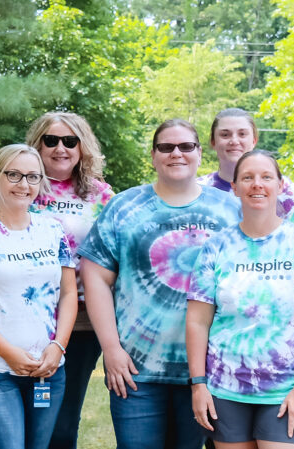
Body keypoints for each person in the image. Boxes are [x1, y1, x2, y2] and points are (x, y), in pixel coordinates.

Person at [79, 119, 240, 449]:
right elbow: (94, 274)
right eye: (166, 147)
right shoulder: (124, 208)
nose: (176, 154)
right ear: (153, 155)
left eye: (186, 146)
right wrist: (111, 349)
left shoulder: (231, 210)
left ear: (199, 153)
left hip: (207, 370)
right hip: (136, 370)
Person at [186, 150, 294, 449]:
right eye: (248, 178)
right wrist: (198, 384)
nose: (257, 184)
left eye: (266, 177)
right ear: (235, 187)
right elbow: (197, 321)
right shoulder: (216, 247)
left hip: (285, 389)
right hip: (224, 388)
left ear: (280, 186)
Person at [0, 144, 77, 449]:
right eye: (14, 175)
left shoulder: (52, 229)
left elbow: (69, 292)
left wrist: (58, 347)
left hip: (48, 371)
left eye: (33, 177)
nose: (24, 185)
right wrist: (9, 354)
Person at [24, 112, 115, 449]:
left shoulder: (101, 196)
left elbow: (112, 258)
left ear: (81, 147)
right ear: (37, 145)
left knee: (61, 424)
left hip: (80, 322)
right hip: (25, 318)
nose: (60, 148)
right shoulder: (20, 184)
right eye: (51, 140)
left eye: (69, 141)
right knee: (27, 418)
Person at [197, 108, 294, 221]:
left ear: (254, 141)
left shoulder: (283, 189)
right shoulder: (199, 190)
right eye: (225, 135)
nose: (234, 141)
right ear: (213, 142)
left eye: (242, 134)